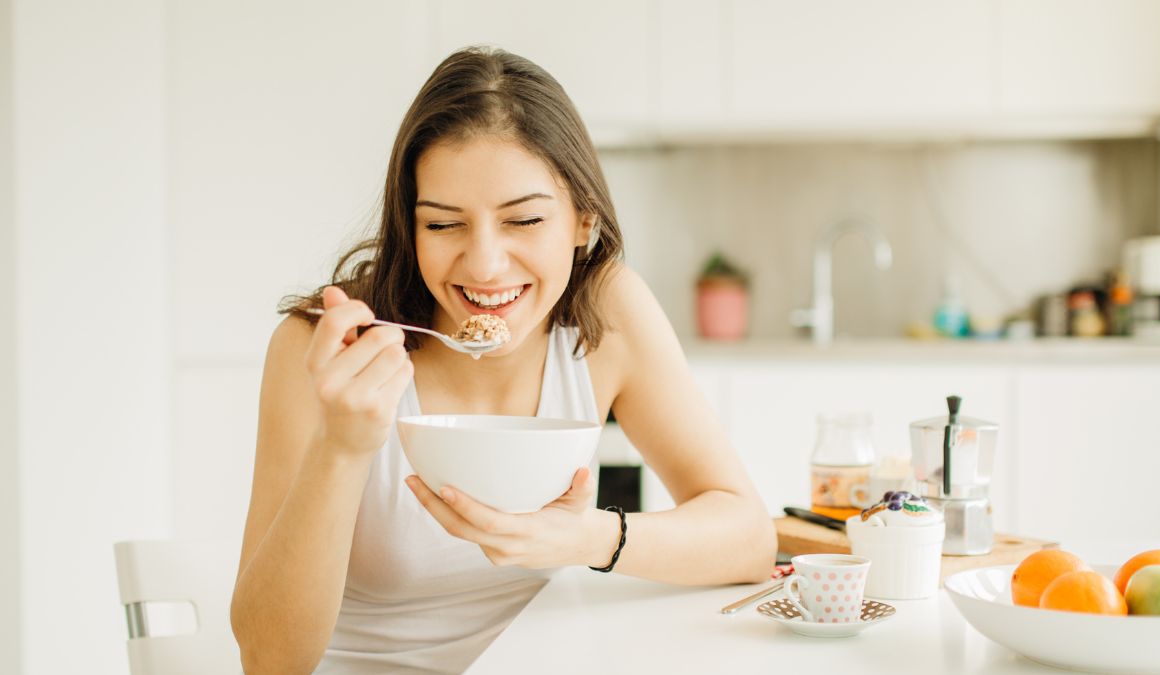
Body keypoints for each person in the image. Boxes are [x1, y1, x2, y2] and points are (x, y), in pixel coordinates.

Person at [230, 46, 776, 674]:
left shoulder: (605, 312)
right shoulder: (326, 349)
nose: (485, 265)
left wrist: (588, 539)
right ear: (410, 228)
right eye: (443, 226)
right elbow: (269, 662)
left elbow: (749, 538)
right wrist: (342, 444)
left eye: (523, 220)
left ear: (582, 218)